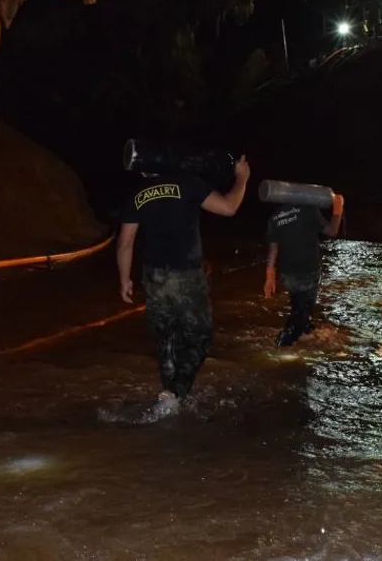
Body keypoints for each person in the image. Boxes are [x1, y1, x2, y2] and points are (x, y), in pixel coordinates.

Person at [117, 155, 251, 418]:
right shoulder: (188, 183)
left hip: (154, 276)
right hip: (187, 275)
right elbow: (228, 207)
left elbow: (125, 243)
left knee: (167, 334)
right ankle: (176, 392)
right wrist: (242, 179)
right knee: (199, 337)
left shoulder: (137, 193)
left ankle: (167, 393)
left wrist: (124, 279)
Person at [263, 192, 344, 346]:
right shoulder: (308, 209)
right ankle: (284, 343)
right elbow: (332, 231)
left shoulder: (275, 216)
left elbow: (273, 248)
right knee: (302, 309)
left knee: (298, 304)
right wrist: (338, 209)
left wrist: (269, 277)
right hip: (308, 272)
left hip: (287, 275)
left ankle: (306, 331)